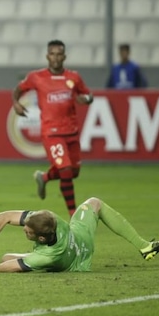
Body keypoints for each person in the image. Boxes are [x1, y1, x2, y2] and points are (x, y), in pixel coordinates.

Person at [0, 197, 159, 273]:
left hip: (75, 261)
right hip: (82, 237)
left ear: (40, 239)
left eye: (27, 231)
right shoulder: (48, 218)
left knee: (7, 259)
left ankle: (143, 246)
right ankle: (144, 246)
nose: (23, 230)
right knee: (94, 203)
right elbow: (4, 216)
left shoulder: (45, 256)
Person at [12, 40, 93, 217]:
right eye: (52, 54)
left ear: (64, 56)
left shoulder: (74, 77)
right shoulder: (37, 77)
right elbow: (19, 89)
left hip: (71, 131)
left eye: (59, 54)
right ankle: (73, 215)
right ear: (47, 56)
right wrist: (16, 103)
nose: (56, 57)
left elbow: (87, 94)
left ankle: (44, 177)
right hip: (52, 133)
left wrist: (86, 99)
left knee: (73, 172)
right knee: (65, 170)